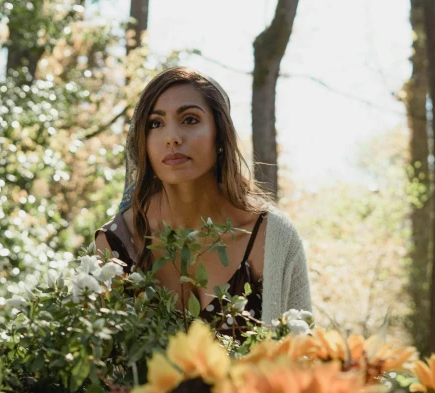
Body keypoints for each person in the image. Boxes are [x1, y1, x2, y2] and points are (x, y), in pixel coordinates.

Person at [94, 66, 311, 334]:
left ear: (219, 134)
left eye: (189, 119)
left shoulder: (272, 237)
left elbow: (302, 357)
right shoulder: (117, 242)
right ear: (143, 142)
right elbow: (101, 364)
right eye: (156, 123)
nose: (172, 137)